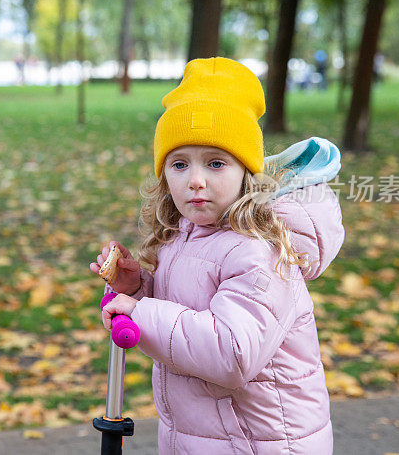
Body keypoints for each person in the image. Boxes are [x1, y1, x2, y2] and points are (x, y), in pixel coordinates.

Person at [90, 57, 345, 454]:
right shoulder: (187, 235)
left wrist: (142, 315)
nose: (195, 180)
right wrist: (139, 288)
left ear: (247, 171)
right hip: (209, 439)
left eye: (215, 163)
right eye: (179, 164)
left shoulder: (260, 248)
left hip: (263, 444)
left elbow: (232, 352)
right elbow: (194, 306)